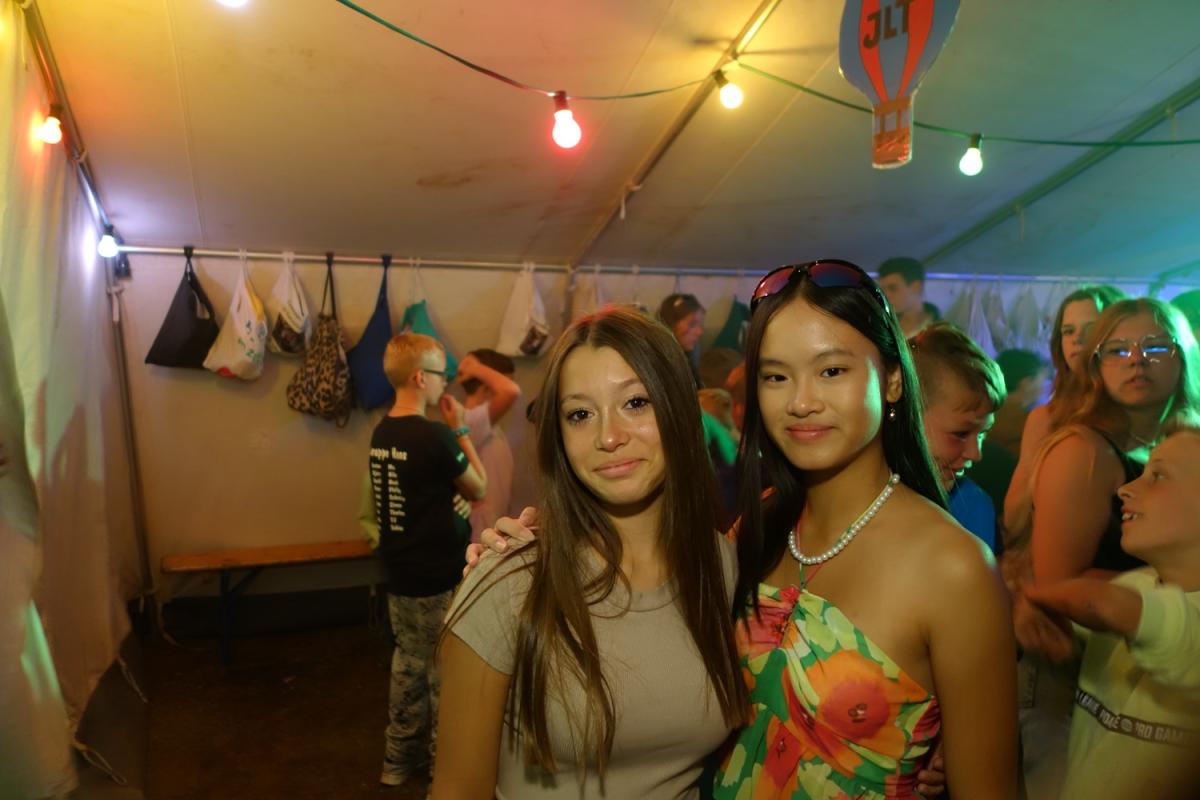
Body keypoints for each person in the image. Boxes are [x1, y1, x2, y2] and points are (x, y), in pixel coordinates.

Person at [715, 259, 1015, 798]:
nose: (801, 402)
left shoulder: (954, 568)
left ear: (893, 380)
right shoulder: (761, 523)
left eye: (832, 371)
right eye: (776, 377)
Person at [432, 307, 747, 799]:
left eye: (636, 402)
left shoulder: (722, 567)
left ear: (680, 411)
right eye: (580, 414)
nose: (609, 437)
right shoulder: (509, 581)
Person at [1005, 297, 1200, 799]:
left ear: (1183, 356)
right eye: (1117, 350)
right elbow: (1056, 585)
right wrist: (1179, 602)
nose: (1136, 360)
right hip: (1067, 674)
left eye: (1154, 346)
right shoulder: (1083, 451)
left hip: (1148, 668)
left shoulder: (1180, 446)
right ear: (1095, 366)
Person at [358, 332, 487, 789]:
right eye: (440, 374)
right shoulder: (434, 434)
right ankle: (442, 772)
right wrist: (461, 430)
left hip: (399, 572)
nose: (445, 383)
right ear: (419, 377)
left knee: (408, 661)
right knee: (442, 671)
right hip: (437, 574)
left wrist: (450, 502)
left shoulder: (382, 432)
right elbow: (480, 485)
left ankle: (396, 760)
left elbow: (416, 493)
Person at [1005, 285, 1124, 529]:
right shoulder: (1046, 417)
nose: (1077, 339)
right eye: (1068, 331)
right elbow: (1015, 513)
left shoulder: (1143, 409)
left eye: (1091, 329)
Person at [909, 322, 1007, 554]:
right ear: (908, 416)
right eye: (960, 434)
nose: (976, 453)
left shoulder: (973, 507)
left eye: (982, 434)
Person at [965, 348, 1049, 513]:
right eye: (1043, 380)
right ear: (1026, 383)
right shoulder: (1029, 424)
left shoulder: (977, 412)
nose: (1045, 387)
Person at [456, 349, 521, 542]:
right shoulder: (471, 422)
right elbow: (511, 391)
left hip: (491, 524)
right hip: (480, 530)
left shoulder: (482, 422)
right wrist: (475, 368)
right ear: (486, 387)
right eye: (501, 381)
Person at [877, 257, 940, 337]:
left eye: (893, 288)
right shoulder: (883, 329)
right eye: (883, 290)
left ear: (916, 287)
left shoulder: (942, 331)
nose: (886, 296)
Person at [658, 293, 706, 384]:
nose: (700, 332)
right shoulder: (660, 365)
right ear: (670, 325)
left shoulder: (688, 358)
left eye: (700, 325)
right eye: (692, 324)